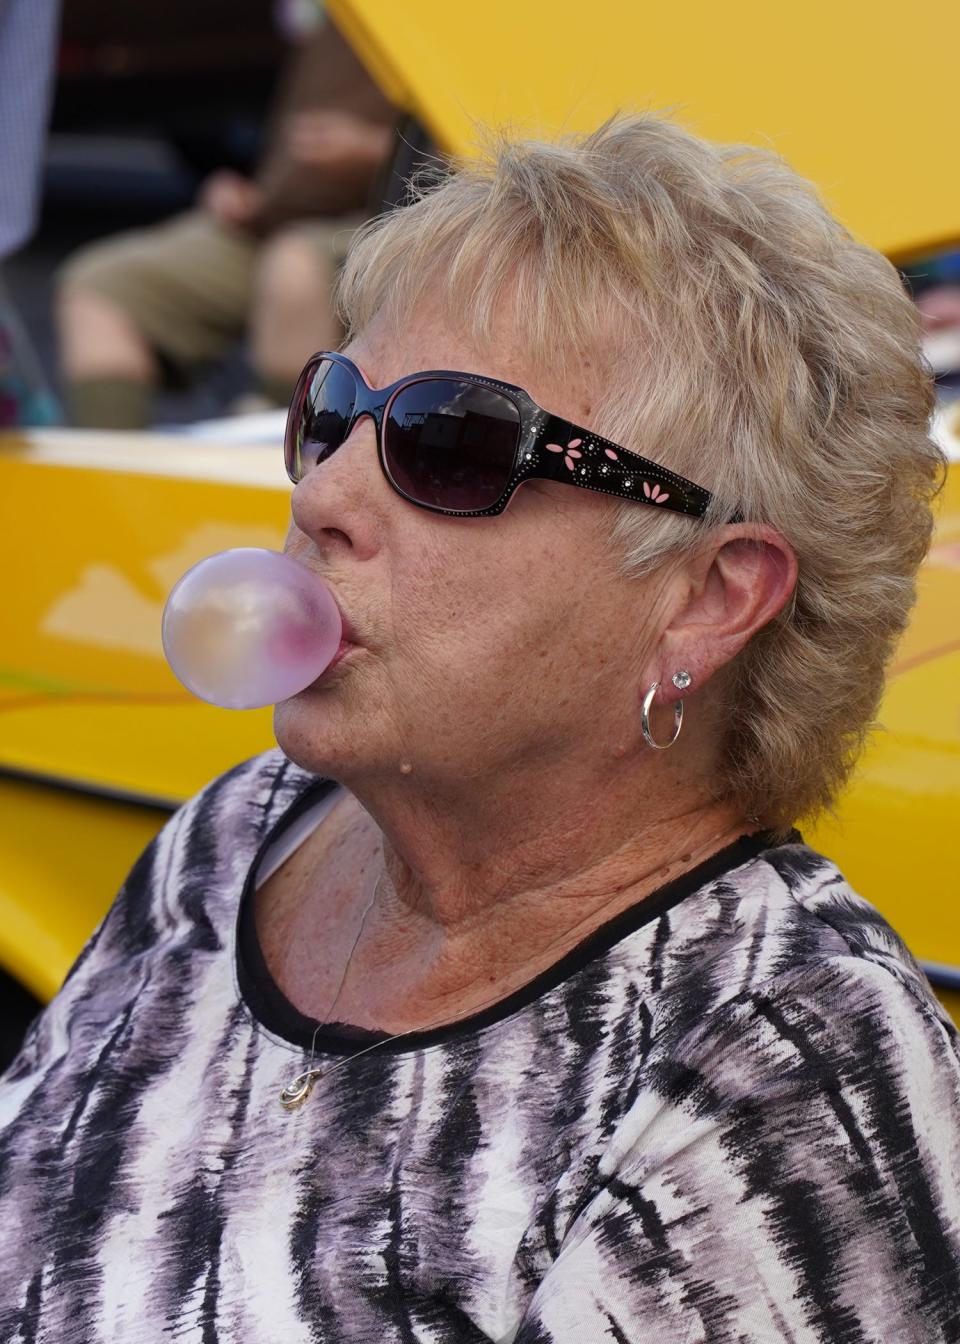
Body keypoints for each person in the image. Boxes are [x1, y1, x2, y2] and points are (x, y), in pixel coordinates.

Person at [1, 114, 958, 1342]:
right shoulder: (243, 832)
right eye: (336, 410)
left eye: (453, 444)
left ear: (710, 598)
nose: (324, 493)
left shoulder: (781, 1069)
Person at [55, 16, 394, 428]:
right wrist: (253, 192)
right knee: (101, 284)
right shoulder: (332, 22)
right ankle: (107, 479)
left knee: (295, 269)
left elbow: (478, 153)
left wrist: (367, 149)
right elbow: (296, 147)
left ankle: (290, 463)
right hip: (278, 219)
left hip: (394, 224)